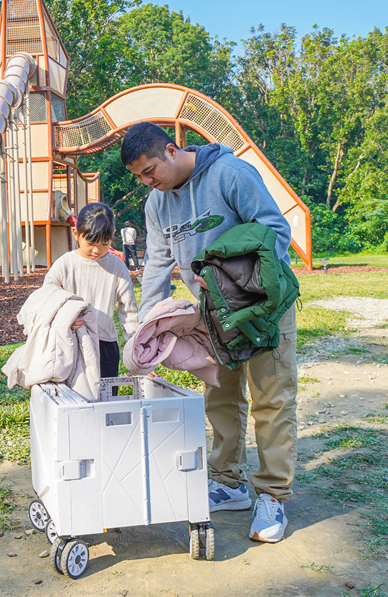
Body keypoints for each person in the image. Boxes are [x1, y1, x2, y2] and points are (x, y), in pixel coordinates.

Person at [120, 122, 297, 544]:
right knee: (221, 394)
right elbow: (159, 267)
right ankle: (229, 483)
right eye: (139, 177)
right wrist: (145, 329)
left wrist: (224, 275)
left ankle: (273, 495)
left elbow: (275, 232)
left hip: (263, 304)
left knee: (271, 398)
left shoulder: (230, 174)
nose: (147, 182)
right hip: (212, 314)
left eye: (150, 171)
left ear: (171, 150)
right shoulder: (157, 204)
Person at [44, 203, 139, 396]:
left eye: (105, 243)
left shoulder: (117, 267)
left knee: (105, 399)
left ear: (112, 236)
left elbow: (129, 313)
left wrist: (136, 354)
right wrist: (64, 320)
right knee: (71, 400)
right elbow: (46, 300)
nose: (97, 250)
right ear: (76, 234)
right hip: (70, 343)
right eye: (91, 243)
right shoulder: (64, 264)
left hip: (105, 346)